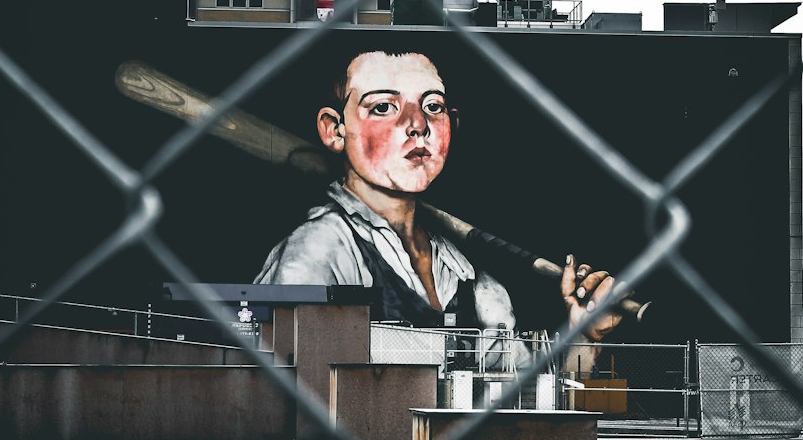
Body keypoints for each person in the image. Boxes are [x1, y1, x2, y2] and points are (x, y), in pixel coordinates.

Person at [254, 49, 621, 370]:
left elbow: (522, 393)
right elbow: (286, 385)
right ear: (334, 129)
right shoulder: (318, 253)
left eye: (433, 107)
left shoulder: (468, 277)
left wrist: (584, 332)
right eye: (383, 107)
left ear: (452, 124)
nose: (417, 125)